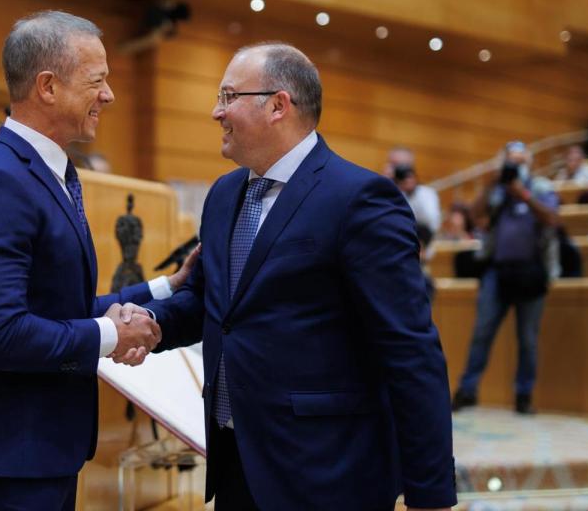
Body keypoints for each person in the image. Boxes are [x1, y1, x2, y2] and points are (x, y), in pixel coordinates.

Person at [124, 43, 455, 510]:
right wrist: (143, 326)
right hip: (236, 463)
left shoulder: (360, 199)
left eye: (228, 96)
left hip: (328, 473)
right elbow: (210, 306)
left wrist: (430, 493)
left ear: (278, 105)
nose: (215, 111)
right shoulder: (223, 194)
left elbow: (410, 348)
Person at [0, 11, 196, 511]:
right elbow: (3, 333)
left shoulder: (49, 172)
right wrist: (115, 335)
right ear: (48, 87)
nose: (110, 95)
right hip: (12, 452)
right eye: (97, 81)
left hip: (40, 448)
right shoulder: (1, 182)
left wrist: (164, 288)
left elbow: (58, 306)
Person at [451, 141, 559, 416]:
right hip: (497, 273)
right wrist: (490, 184)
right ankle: (467, 391)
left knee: (527, 340)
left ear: (530, 164)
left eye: (521, 161)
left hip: (532, 273)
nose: (516, 165)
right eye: (511, 161)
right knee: (481, 332)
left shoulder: (541, 188)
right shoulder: (497, 191)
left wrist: (522, 195)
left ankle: (523, 396)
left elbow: (551, 218)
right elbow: (475, 219)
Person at [385, 146, 442, 233]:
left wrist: (412, 193)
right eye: (393, 165)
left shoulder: (426, 193)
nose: (398, 170)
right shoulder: (381, 188)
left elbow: (432, 223)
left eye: (401, 166)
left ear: (411, 168)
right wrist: (384, 184)